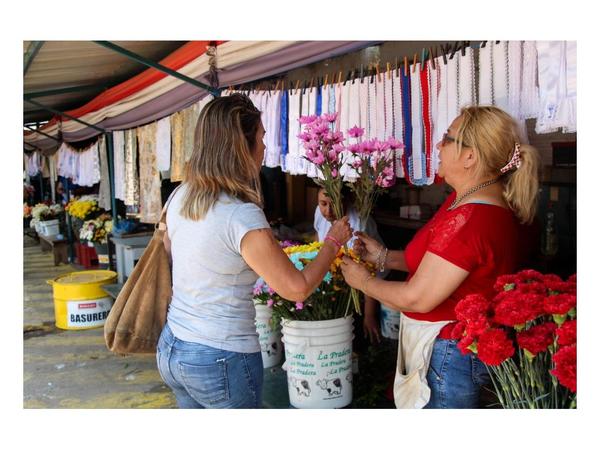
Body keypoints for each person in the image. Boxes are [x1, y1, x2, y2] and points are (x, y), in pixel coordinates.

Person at [157, 93, 353, 409]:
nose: (264, 147)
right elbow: (296, 289)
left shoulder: (180, 196)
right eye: (261, 138)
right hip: (220, 355)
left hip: (174, 346)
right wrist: (332, 243)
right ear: (241, 146)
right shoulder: (239, 214)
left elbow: (169, 259)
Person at [340, 105, 540, 409]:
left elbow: (418, 297)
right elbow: (434, 266)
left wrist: (363, 282)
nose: (438, 145)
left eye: (447, 138)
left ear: (470, 156)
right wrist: (383, 257)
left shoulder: (472, 218)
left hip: (449, 356)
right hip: (450, 351)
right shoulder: (465, 199)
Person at [313, 185, 387, 344]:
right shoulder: (320, 215)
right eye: (323, 204)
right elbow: (317, 238)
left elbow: (368, 271)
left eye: (333, 203)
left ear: (346, 201)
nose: (328, 210)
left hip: (369, 287)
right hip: (340, 283)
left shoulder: (359, 225)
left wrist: (369, 315)